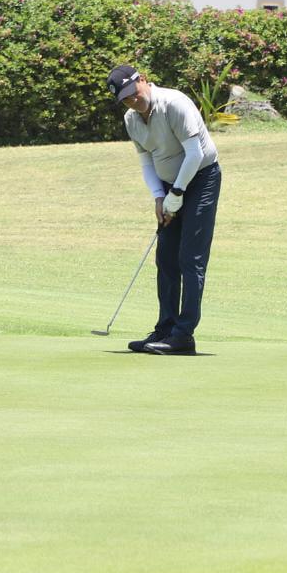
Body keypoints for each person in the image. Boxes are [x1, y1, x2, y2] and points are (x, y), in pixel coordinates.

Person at [106, 64, 221, 355]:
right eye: (125, 99)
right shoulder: (132, 120)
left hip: (202, 178)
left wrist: (178, 193)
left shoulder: (174, 103)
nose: (132, 100)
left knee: (189, 258)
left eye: (133, 93)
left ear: (143, 80)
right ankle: (166, 328)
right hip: (170, 186)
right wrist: (160, 196)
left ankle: (184, 335)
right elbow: (146, 162)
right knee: (166, 257)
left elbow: (194, 154)